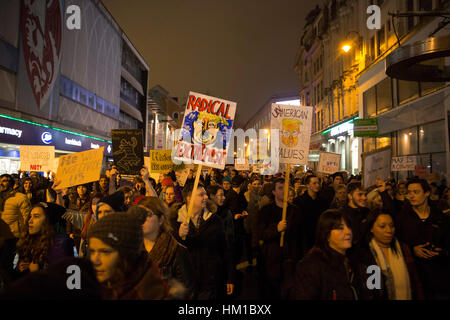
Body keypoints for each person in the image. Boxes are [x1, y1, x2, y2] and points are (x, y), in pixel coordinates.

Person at [87, 212, 169, 299]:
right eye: (92, 251)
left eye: (105, 252)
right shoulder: (101, 287)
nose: (95, 261)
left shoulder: (151, 294)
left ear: (127, 254)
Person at [394, 178, 450, 299]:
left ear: (427, 193)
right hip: (414, 275)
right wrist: (412, 249)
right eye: (409, 192)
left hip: (439, 275)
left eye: (416, 192)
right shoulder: (402, 218)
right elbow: (397, 243)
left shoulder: (439, 216)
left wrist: (441, 251)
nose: (412, 196)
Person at [350, 209, 424, 300]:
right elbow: (373, 290)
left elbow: (415, 282)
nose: (389, 230)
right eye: (382, 226)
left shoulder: (402, 249)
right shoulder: (367, 254)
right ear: (371, 228)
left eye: (392, 226)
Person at [177, 183, 234, 299]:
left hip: (209, 282)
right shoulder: (175, 221)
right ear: (189, 198)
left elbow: (225, 250)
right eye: (201, 195)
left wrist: (230, 277)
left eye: (206, 194)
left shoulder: (215, 220)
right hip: (185, 282)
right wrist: (180, 236)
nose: (206, 197)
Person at [130, 198, 195, 299]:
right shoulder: (132, 249)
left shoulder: (176, 251)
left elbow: (187, 292)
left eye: (148, 214)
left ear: (160, 220)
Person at [289, 209, 358, 300]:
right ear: (327, 235)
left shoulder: (354, 260)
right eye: (340, 228)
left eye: (349, 227)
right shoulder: (311, 266)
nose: (348, 232)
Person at [257, 178, 304, 299]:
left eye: (286, 188)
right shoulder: (266, 210)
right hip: (273, 260)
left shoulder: (295, 210)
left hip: (291, 258)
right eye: (280, 188)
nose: (284, 191)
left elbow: (301, 236)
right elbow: (261, 234)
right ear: (273, 192)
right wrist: (276, 229)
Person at [16, 203, 74, 275]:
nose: (30, 221)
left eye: (36, 217)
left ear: (48, 220)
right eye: (30, 216)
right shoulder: (28, 241)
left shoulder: (61, 243)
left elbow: (66, 279)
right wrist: (20, 267)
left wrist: (37, 272)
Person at [294, 175, 328, 253]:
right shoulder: (299, 201)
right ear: (308, 185)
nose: (317, 185)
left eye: (318, 183)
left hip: (319, 236)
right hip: (304, 237)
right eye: (314, 183)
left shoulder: (323, 201)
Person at [0, 174, 31, 238]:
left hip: (14, 237)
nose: (1, 183)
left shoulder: (21, 198)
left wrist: (24, 236)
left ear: (11, 183)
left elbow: (27, 218)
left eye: (4, 181)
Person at [341, 181, 370, 246]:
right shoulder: (342, 215)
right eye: (360, 194)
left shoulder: (367, 212)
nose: (364, 198)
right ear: (350, 196)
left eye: (365, 194)